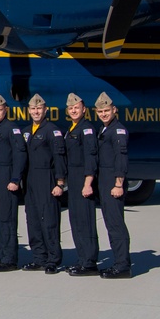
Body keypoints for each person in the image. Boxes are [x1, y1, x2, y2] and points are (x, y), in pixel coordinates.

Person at [22, 93, 66, 274]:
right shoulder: (26, 131)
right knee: (32, 219)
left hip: (47, 178)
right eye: (33, 109)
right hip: (30, 179)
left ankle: (53, 259)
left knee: (49, 220)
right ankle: (39, 257)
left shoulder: (52, 131)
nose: (36, 111)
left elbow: (59, 157)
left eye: (39, 108)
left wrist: (60, 182)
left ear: (45, 110)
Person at [0, 93, 26, 272]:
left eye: (0, 110)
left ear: (6, 110)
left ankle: (9, 258)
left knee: (7, 218)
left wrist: (15, 178)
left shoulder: (12, 129)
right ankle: (0, 254)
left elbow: (20, 154)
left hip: (6, 175)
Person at [94, 92, 132, 279]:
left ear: (114, 110)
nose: (104, 114)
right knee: (111, 224)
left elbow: (121, 159)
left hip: (113, 183)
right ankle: (119, 262)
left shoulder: (118, 130)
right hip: (105, 182)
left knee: (116, 225)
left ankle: (123, 266)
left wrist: (118, 183)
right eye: (100, 111)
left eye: (107, 110)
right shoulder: (104, 129)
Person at [64, 93, 100, 276]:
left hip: (83, 179)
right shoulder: (72, 129)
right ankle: (82, 258)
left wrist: (88, 183)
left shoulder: (87, 129)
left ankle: (90, 262)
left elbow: (90, 158)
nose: (73, 110)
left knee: (85, 221)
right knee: (76, 221)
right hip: (73, 179)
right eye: (71, 108)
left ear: (84, 109)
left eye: (76, 107)